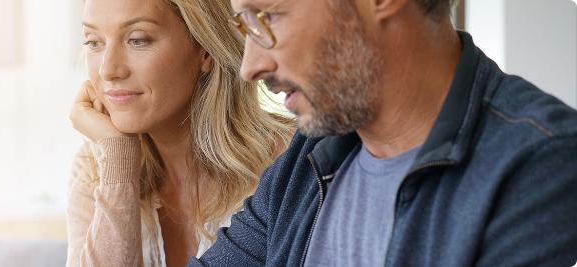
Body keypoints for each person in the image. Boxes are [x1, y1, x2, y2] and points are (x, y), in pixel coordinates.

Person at [191, 0, 577, 265]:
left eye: (267, 17)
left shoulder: (539, 159)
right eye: (244, 25)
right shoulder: (308, 156)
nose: (249, 66)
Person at [66, 0, 295, 266]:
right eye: (94, 42)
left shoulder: (291, 160)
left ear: (205, 50)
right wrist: (118, 159)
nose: (108, 70)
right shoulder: (95, 167)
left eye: (138, 40)